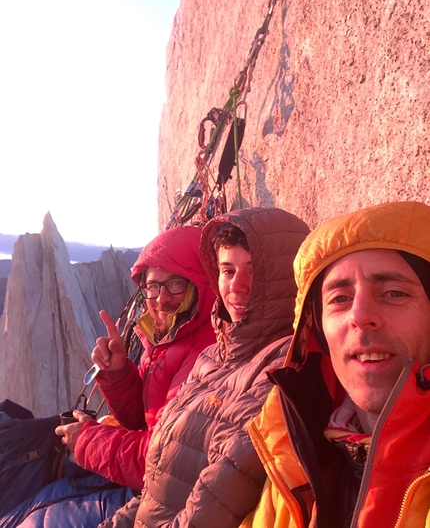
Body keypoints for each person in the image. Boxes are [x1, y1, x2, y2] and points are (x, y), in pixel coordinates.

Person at [102, 206, 310, 528]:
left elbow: (210, 505)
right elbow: (157, 487)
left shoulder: (280, 371)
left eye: (254, 270)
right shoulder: (213, 356)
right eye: (227, 271)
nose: (236, 286)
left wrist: (85, 440)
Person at [2, 225, 216, 528]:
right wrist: (118, 374)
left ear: (200, 283)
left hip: (169, 496)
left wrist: (88, 440)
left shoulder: (204, 353)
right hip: (149, 482)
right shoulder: (171, 341)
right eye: (152, 286)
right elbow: (143, 420)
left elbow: (165, 463)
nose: (161, 297)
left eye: (176, 283)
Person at [241, 200, 430, 528]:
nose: (360, 316)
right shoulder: (292, 451)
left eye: (394, 293)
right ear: (317, 330)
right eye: (339, 299)